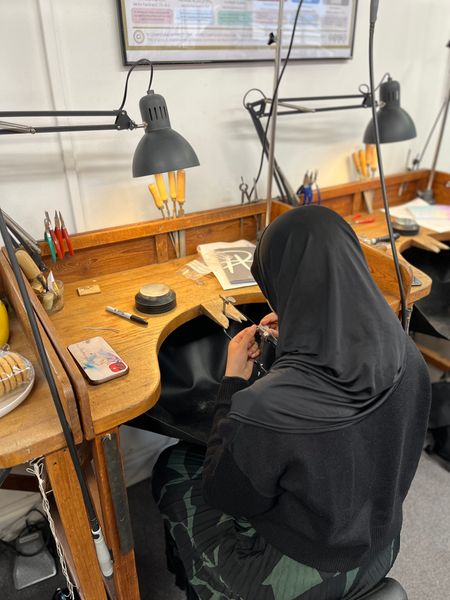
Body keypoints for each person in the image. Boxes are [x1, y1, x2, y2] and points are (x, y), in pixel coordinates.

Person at [152, 205, 431, 600]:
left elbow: (228, 496)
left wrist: (232, 382)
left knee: (173, 466)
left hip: (297, 574)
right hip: (380, 547)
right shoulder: (409, 355)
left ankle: (203, 585)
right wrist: (300, 329)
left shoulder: (265, 406)